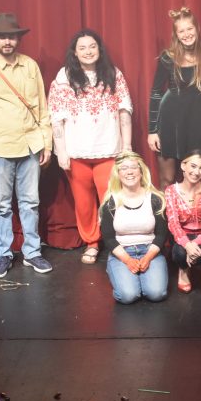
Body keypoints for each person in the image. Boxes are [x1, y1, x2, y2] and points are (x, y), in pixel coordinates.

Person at [0, 12, 53, 279]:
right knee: (1, 204)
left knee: (30, 202)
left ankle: (32, 252)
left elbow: (42, 108)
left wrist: (46, 143)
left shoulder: (30, 66)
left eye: (12, 36)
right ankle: (3, 254)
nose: (7, 41)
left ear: (18, 39)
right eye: (2, 37)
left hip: (29, 145)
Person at [49, 29, 133, 265]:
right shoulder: (64, 77)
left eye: (92, 46)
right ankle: (92, 243)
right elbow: (57, 117)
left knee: (112, 200)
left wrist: (127, 147)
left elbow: (124, 111)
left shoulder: (113, 74)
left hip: (109, 149)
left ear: (99, 49)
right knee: (84, 203)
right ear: (75, 53)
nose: (88, 51)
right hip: (77, 152)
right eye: (82, 48)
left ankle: (114, 242)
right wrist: (61, 151)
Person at [147, 7, 201, 188]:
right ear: (176, 35)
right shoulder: (168, 57)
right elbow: (156, 92)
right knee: (168, 179)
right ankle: (165, 217)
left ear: (197, 28)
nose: (187, 34)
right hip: (169, 121)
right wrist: (152, 131)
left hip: (197, 121)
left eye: (190, 29)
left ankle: (198, 216)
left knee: (199, 178)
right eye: (181, 31)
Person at [99, 152, 169, 304]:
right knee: (128, 296)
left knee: (156, 294)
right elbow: (109, 238)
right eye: (124, 168)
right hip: (122, 252)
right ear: (118, 173)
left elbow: (162, 235)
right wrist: (127, 260)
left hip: (150, 250)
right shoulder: (111, 201)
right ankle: (115, 269)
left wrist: (148, 257)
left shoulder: (155, 198)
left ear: (141, 171)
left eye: (133, 167)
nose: (129, 172)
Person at [165, 151, 201, 293]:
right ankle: (183, 270)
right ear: (183, 166)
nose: (197, 172)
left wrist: (195, 243)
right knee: (178, 253)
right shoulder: (171, 191)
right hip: (184, 234)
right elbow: (173, 224)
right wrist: (186, 243)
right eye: (193, 166)